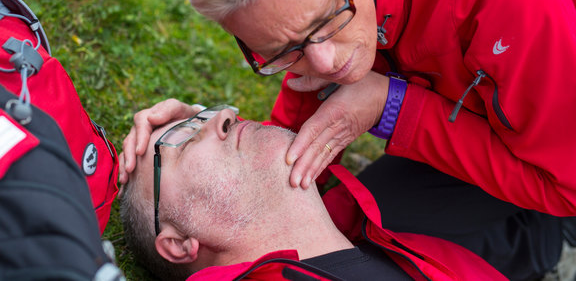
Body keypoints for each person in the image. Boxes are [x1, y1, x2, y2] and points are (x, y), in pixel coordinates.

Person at [120, 0, 576, 279]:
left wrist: (392, 106)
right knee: (354, 217)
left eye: (328, 19)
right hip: (509, 133)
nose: (325, 64)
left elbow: (567, 189)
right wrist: (190, 133)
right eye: (284, 50)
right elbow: (294, 155)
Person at [119, 101, 507, 280]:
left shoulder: (389, 209)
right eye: (183, 144)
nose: (226, 114)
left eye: (205, 114)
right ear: (179, 242)